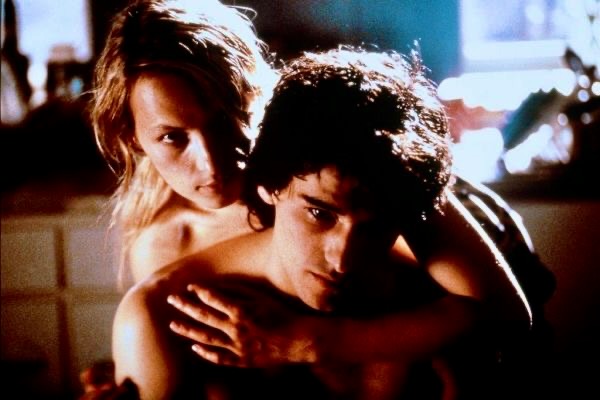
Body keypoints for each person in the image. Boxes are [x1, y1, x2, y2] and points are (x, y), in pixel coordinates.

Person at [112, 47, 536, 400]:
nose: (343, 259)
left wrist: (309, 342)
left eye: (376, 226)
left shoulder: (439, 302)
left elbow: (509, 319)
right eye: (320, 213)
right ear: (269, 183)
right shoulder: (161, 304)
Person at [90, 0, 277, 287]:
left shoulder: (316, 194)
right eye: (172, 137)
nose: (210, 162)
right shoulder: (162, 248)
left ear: (254, 96)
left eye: (223, 121)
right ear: (133, 139)